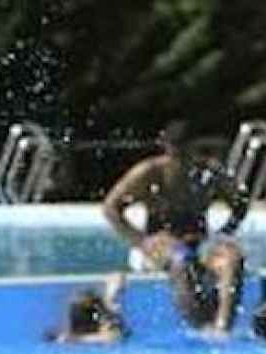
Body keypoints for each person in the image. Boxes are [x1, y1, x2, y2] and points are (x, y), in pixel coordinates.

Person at [102, 121, 250, 335]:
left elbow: (240, 202)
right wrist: (141, 241)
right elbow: (111, 208)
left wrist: (224, 232)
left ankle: (222, 328)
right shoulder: (150, 173)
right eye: (177, 151)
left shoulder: (208, 173)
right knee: (181, 258)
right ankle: (200, 327)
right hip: (160, 242)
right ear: (167, 149)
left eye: (187, 151)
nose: (181, 158)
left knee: (232, 258)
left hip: (199, 241)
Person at [47, 273, 128, 345]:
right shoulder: (93, 306)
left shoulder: (111, 310)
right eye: (119, 288)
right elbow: (97, 317)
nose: (120, 294)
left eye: (122, 290)